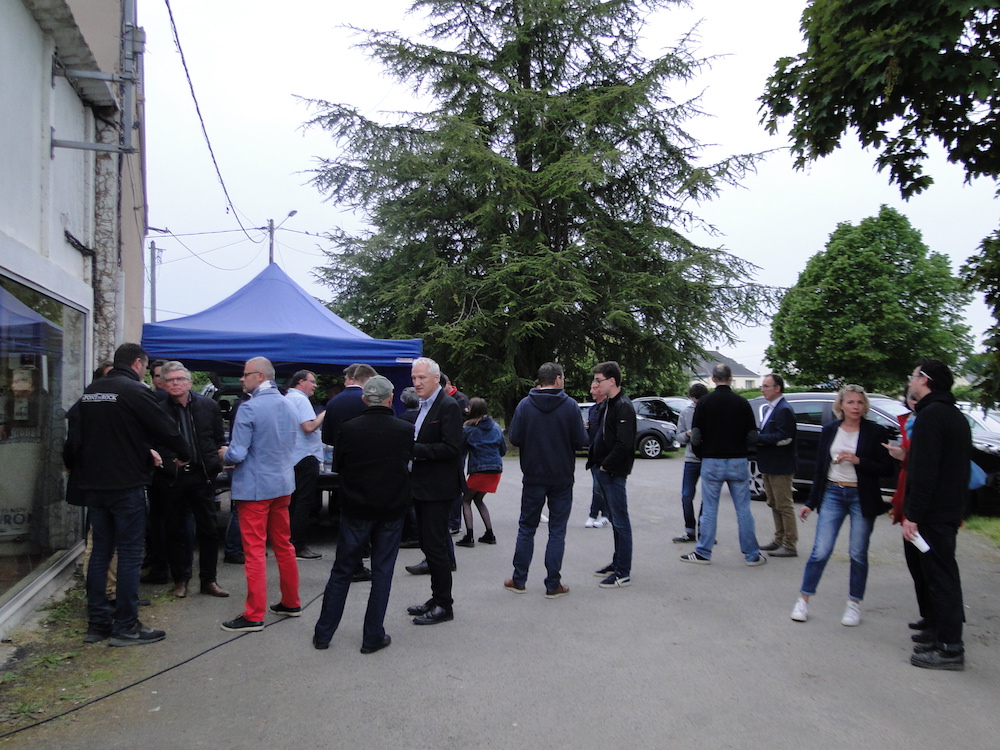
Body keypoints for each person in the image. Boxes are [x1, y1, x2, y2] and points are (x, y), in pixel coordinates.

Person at [64, 343, 189, 646]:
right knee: (131, 554)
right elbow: (166, 428)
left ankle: (98, 623)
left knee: (101, 553)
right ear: (137, 363)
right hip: (126, 484)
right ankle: (126, 626)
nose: (146, 372)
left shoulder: (91, 391)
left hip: (94, 486)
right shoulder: (134, 390)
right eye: (145, 367)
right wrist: (186, 453)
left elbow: (74, 440)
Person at [313, 376, 414, 653]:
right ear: (390, 399)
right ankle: (372, 636)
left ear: (363, 399)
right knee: (382, 571)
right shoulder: (404, 429)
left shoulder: (348, 429)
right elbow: (405, 463)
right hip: (391, 509)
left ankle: (323, 634)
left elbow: (339, 466)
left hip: (356, 507)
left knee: (343, 569)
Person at [789, 385, 893, 626]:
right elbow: (819, 467)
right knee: (821, 550)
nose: (856, 407)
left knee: (857, 553)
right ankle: (803, 600)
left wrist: (858, 461)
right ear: (841, 406)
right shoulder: (830, 430)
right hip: (833, 492)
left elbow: (887, 468)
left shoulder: (875, 431)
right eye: (851, 402)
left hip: (861, 495)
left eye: (860, 403)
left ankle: (853, 604)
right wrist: (811, 502)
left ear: (865, 406)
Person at [219, 357, 301, 632]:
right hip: (282, 484)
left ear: (259, 376)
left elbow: (238, 453)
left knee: (254, 551)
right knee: (284, 545)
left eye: (245, 375)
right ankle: (291, 601)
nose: (242, 380)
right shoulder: (289, 405)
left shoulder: (249, 408)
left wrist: (224, 454)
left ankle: (254, 614)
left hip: (255, 488)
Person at [901, 359, 971, 670]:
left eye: (914, 376)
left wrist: (913, 515)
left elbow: (926, 472)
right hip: (944, 510)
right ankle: (937, 632)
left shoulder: (932, 416)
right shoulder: (952, 414)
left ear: (925, 379)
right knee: (935, 575)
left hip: (932, 515)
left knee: (941, 578)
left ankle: (949, 648)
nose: (911, 380)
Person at [505, 363, 588, 598]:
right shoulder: (571, 406)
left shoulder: (525, 405)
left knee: (526, 528)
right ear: (558, 379)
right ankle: (553, 584)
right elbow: (582, 441)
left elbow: (516, 438)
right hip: (562, 476)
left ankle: (519, 579)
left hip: (532, 475)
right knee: (557, 531)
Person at [152, 361, 229, 599]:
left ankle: (209, 580)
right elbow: (150, 441)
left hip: (202, 476)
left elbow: (218, 438)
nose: (176, 383)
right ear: (163, 383)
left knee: (209, 531)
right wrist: (167, 459)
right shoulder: (156, 407)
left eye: (180, 379)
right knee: (176, 532)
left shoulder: (208, 406)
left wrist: (218, 460)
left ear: (189, 382)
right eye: (170, 380)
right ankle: (181, 580)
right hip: (172, 478)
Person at [680, 363, 765, 566]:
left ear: (713, 379)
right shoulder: (743, 403)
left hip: (712, 460)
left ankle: (703, 552)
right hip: (737, 460)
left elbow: (696, 435)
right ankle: (752, 554)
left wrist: (703, 455)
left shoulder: (705, 403)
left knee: (709, 509)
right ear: (731, 378)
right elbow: (752, 435)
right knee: (743, 509)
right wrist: (744, 451)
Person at [404, 357, 463, 625]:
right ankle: (436, 598)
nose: (416, 383)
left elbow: (452, 449)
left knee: (436, 547)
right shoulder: (425, 405)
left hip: (439, 488)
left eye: (421, 378)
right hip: (423, 485)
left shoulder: (448, 406)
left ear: (436, 379)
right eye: (414, 378)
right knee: (429, 545)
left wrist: (414, 451)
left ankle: (444, 605)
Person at [587, 361, 637, 588]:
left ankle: (623, 572)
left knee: (620, 521)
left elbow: (624, 443)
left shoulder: (623, 406)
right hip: (605, 470)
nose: (596, 384)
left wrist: (606, 465)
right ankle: (617, 562)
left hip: (614, 472)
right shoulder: (608, 404)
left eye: (599, 380)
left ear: (612, 381)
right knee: (616, 521)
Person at [285, 370, 326, 561]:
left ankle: (289, 541)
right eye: (312, 381)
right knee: (304, 502)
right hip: (305, 456)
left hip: (292, 456)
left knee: (292, 502)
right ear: (301, 382)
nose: (315, 385)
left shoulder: (287, 398)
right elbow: (309, 427)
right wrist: (324, 414)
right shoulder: (300, 400)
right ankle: (298, 544)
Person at [757, 373, 799, 558]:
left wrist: (759, 439)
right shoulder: (769, 409)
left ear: (777, 388)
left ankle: (790, 544)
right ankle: (779, 539)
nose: (763, 389)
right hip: (769, 464)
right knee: (773, 503)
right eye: (762, 386)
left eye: (766, 386)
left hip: (781, 465)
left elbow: (785, 437)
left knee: (784, 504)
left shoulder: (784, 410)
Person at [456, 397, 505, 547]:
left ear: (472, 411)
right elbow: (502, 450)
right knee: (478, 499)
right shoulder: (496, 427)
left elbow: (461, 450)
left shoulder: (468, 430)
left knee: (465, 500)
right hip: (496, 469)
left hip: (479, 470)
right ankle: (489, 533)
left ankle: (469, 536)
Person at [672, 382, 708, 543]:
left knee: (708, 497)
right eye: (695, 401)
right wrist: (687, 434)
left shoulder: (712, 411)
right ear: (691, 399)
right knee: (686, 495)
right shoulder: (686, 413)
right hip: (691, 459)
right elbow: (678, 436)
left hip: (708, 459)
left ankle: (704, 530)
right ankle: (689, 529)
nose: (697, 403)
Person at [584, 379, 611, 528]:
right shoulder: (592, 409)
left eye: (594, 388)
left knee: (598, 486)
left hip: (604, 454)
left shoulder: (608, 408)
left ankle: (595, 514)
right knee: (599, 485)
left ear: (601, 389)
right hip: (593, 453)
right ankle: (606, 514)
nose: (591, 392)